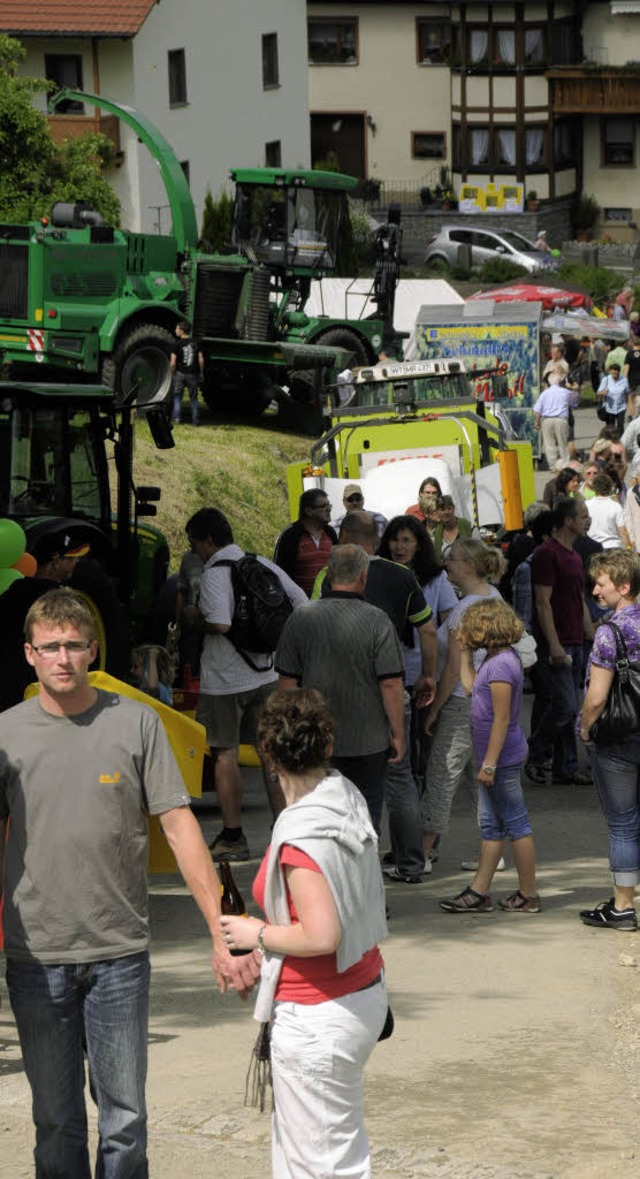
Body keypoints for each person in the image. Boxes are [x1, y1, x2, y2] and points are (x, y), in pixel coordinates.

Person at [0, 588, 258, 1177]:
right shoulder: (6, 734)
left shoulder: (137, 723)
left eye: (72, 645)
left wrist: (222, 932)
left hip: (119, 955)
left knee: (125, 1122)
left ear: (92, 650)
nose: (62, 658)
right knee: (55, 1119)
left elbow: (181, 826)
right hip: (36, 956)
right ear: (29, 654)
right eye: (50, 647)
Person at [219, 688, 388, 1178]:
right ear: (327, 744)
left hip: (319, 1014)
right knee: (313, 1157)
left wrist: (259, 934)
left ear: (267, 756)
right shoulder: (344, 795)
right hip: (359, 993)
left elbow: (320, 935)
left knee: (323, 1165)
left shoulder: (301, 834)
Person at [314, 512, 437, 882]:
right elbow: (428, 629)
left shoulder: (329, 574)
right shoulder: (402, 574)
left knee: (344, 777)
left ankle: (356, 864)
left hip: (341, 692)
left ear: (346, 536)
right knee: (399, 778)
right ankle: (412, 862)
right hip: (393, 684)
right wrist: (427, 675)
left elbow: (313, 624)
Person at [186, 508, 307, 861]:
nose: (196, 551)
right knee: (272, 753)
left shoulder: (214, 573)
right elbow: (300, 600)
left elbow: (221, 624)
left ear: (208, 540)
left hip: (224, 680)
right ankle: (285, 834)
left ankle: (233, 836)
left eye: (196, 543)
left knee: (225, 755)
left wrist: (196, 619)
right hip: (266, 673)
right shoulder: (260, 564)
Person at [276, 544, 406, 834]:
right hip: (368, 738)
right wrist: (398, 732)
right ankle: (361, 869)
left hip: (314, 735)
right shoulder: (377, 620)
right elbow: (391, 683)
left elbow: (287, 684)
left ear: (328, 574)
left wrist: (287, 731)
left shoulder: (301, 617)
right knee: (365, 812)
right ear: (363, 576)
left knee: (317, 811)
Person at [438, 600, 540, 914]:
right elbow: (470, 688)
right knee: (491, 825)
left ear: (486, 628)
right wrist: (466, 653)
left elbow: (501, 718)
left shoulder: (500, 665)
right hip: (494, 756)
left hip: (500, 758)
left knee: (515, 824)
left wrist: (489, 764)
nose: (465, 631)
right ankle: (479, 891)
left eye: (471, 627)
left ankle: (528, 894)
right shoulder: (495, 660)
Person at [421, 540, 504, 868]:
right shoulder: (492, 597)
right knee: (479, 778)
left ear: (469, 565)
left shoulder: (464, 608)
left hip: (462, 703)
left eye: (452, 559)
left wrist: (435, 709)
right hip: (489, 699)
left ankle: (422, 852)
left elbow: (454, 669)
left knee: (442, 775)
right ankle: (491, 851)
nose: (446, 563)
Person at [578, 550, 640, 931]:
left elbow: (597, 696)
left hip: (618, 738)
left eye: (601, 583)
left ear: (624, 586)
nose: (595, 590)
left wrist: (585, 728)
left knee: (623, 824)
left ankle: (622, 906)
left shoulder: (609, 632)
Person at [526, 497, 594, 787]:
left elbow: (579, 599)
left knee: (571, 707)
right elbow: (542, 603)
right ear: (567, 520)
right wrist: (553, 645)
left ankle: (566, 768)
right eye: (583, 515)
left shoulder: (575, 556)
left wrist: (591, 631)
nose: (587, 520)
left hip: (576, 639)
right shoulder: (547, 553)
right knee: (565, 705)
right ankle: (535, 751)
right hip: (557, 642)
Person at [0, 529, 91, 713]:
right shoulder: (62, 602)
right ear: (55, 562)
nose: (76, 562)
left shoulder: (16, 589)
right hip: (36, 691)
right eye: (71, 558)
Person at [273, 489, 337, 597]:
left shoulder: (331, 533)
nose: (328, 509)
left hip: (328, 605)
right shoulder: (291, 535)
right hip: (300, 606)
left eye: (329, 506)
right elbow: (280, 574)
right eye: (323, 506)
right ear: (308, 511)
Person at [532, 375, 578, 471]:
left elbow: (537, 410)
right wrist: (571, 388)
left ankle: (553, 466)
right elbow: (573, 403)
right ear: (560, 382)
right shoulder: (565, 392)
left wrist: (537, 422)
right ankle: (565, 465)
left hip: (547, 420)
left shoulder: (545, 393)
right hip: (561, 419)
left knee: (549, 444)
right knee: (563, 443)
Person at [585, 472, 631, 550]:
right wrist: (629, 547)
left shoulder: (586, 505)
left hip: (592, 547)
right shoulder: (616, 506)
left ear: (594, 488)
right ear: (610, 487)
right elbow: (623, 532)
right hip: (613, 547)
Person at [171, 321, 204, 426]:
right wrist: (201, 373)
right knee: (194, 398)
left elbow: (172, 362)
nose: (175, 331)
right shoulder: (196, 343)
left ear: (181, 330)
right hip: (192, 374)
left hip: (180, 374)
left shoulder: (176, 344)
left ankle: (176, 418)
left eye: (177, 329)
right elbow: (200, 359)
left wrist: (172, 373)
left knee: (177, 396)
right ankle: (195, 421)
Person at [431, 494, 479, 561]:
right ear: (437, 512)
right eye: (442, 509)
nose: (446, 512)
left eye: (449, 508)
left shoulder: (470, 529)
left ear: (454, 509)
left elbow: (479, 555)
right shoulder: (434, 534)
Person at [596, 363, 632, 434]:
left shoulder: (624, 380)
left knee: (620, 426)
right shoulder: (605, 379)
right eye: (613, 370)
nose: (614, 372)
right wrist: (603, 392)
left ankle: (620, 441)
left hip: (621, 407)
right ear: (610, 371)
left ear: (619, 371)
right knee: (610, 427)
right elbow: (598, 392)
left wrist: (629, 404)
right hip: (609, 408)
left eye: (616, 370)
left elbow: (627, 392)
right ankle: (611, 441)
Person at [623, 336, 640, 418]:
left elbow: (626, 368)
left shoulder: (629, 354)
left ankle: (631, 415)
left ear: (632, 343)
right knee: (639, 396)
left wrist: (623, 379)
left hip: (632, 380)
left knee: (630, 398)